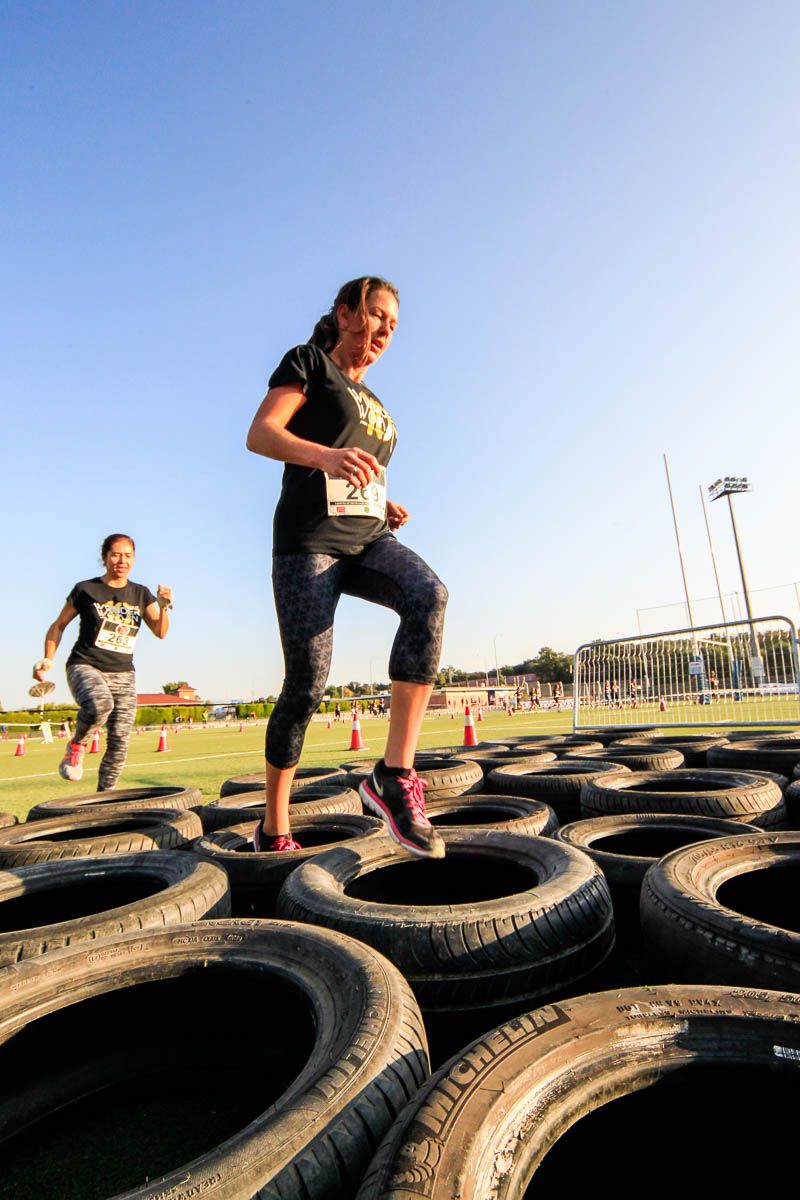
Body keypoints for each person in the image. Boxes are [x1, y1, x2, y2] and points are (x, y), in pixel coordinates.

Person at [246, 276, 448, 858]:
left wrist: (380, 499)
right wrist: (327, 455)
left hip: (366, 537)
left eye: (394, 324)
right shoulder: (308, 362)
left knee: (429, 596)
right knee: (306, 685)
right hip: (308, 542)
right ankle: (274, 827)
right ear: (345, 313)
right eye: (377, 315)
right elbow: (262, 434)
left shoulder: (381, 407)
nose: (385, 329)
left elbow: (355, 468)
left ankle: (393, 774)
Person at [33, 534, 173, 790]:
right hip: (85, 665)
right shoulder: (86, 589)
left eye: (128, 555)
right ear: (105, 557)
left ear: (134, 559)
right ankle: (77, 745)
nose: (122, 561)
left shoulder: (140, 594)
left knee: (120, 741)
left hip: (123, 673)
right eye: (116, 554)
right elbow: (59, 625)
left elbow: (161, 631)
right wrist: (47, 659)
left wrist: (163, 606)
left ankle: (104, 798)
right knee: (100, 705)